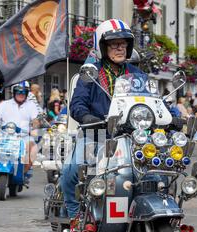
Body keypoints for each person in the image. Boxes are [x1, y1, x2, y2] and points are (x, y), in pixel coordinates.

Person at [61, 19, 143, 218]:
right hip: (96, 134)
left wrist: (173, 116)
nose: (119, 48)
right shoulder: (91, 73)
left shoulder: (136, 73)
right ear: (102, 47)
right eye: (114, 44)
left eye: (123, 44)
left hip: (130, 137)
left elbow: (152, 100)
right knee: (72, 171)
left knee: (153, 172)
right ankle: (74, 216)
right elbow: (77, 104)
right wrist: (86, 116)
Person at [0, 81, 40, 183]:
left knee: (33, 151)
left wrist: (34, 129)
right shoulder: (5, 104)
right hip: (4, 134)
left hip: (24, 135)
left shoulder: (31, 105)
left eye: (23, 92)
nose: (21, 95)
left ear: (27, 93)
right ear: (13, 93)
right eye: (18, 92)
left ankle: (23, 174)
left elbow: (35, 120)